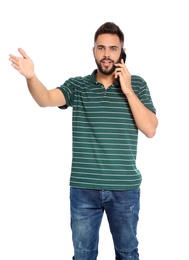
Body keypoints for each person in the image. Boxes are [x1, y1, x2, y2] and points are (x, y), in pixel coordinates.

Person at [9, 22, 158, 260]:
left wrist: (128, 90)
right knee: (83, 256)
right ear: (94, 51)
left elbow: (150, 129)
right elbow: (45, 98)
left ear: (122, 52)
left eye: (113, 48)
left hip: (125, 189)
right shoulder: (78, 86)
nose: (107, 54)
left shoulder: (137, 84)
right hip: (83, 190)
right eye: (101, 48)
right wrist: (31, 77)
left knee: (128, 253)